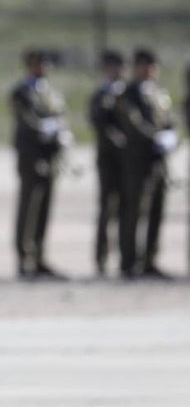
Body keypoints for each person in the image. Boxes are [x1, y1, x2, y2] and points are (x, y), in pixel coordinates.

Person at [115, 48, 177, 279]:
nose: (151, 70)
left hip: (158, 162)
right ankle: (129, 261)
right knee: (134, 212)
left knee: (156, 211)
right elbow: (134, 124)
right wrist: (156, 138)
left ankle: (150, 259)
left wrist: (171, 137)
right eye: (146, 65)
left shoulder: (159, 93)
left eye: (153, 66)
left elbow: (170, 120)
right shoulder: (128, 94)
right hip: (137, 162)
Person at [11, 49, 72, 280]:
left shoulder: (52, 92)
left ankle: (39, 256)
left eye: (46, 64)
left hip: (50, 158)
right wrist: (43, 128)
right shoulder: (22, 92)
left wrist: (61, 131)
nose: (43, 68)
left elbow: (61, 115)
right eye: (38, 64)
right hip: (31, 157)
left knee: (45, 209)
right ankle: (24, 256)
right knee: (29, 208)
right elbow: (26, 119)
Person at [88, 50, 126, 276]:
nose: (118, 71)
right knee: (107, 208)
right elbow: (100, 125)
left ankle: (127, 255)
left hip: (130, 162)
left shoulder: (128, 94)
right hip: (108, 160)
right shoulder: (100, 96)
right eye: (113, 67)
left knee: (128, 210)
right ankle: (102, 256)